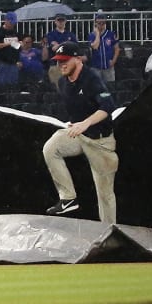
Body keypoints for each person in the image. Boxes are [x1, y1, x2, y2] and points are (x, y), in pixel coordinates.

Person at [43, 42, 118, 223]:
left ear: (78, 59)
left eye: (65, 60)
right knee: (51, 148)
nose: (61, 65)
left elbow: (108, 106)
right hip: (79, 135)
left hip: (100, 142)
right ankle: (68, 198)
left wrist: (85, 123)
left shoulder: (91, 78)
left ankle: (110, 232)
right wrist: (75, 122)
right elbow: (78, 106)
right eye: (59, 62)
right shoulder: (63, 82)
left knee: (105, 194)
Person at [42, 14, 78, 88]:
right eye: (59, 20)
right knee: (56, 88)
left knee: (70, 88)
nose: (61, 22)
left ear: (65, 21)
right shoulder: (50, 35)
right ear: (55, 21)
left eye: (62, 20)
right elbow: (54, 48)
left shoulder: (71, 34)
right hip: (55, 65)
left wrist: (60, 45)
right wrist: (67, 44)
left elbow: (75, 48)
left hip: (69, 65)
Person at [0, 12, 22, 86]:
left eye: (13, 23)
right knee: (2, 84)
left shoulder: (15, 32)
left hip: (14, 63)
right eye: (10, 22)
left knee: (13, 84)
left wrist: (20, 44)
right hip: (2, 62)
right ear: (6, 20)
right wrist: (8, 44)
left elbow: (18, 47)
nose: (12, 24)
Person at [88, 14, 119, 83]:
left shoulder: (111, 34)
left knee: (110, 88)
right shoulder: (92, 35)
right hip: (96, 67)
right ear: (95, 23)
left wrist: (113, 61)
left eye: (103, 23)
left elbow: (117, 49)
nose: (101, 25)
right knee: (97, 88)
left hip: (108, 67)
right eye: (99, 23)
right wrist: (98, 34)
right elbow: (95, 46)